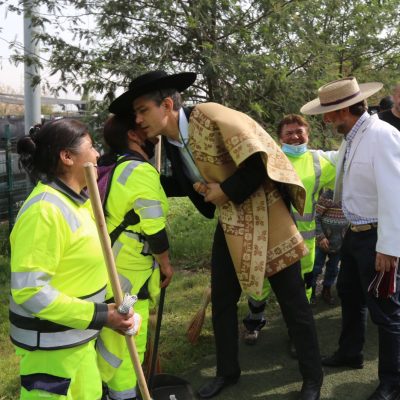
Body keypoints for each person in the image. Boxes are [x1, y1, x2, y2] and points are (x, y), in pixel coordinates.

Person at [109, 70, 323, 400]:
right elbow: (185, 184)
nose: (137, 120)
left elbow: (258, 158)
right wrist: (130, 171)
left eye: (142, 110)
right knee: (222, 301)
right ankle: (227, 372)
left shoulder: (210, 116)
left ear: (166, 104)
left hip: (268, 217)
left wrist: (226, 190)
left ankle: (312, 379)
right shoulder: (174, 142)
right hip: (230, 223)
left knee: (292, 301)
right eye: (135, 114)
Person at [10, 119, 136, 400]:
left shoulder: (78, 203)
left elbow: (79, 273)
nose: (97, 155)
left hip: (77, 343)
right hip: (51, 356)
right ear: (67, 157)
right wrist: (101, 315)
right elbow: (31, 291)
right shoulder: (45, 210)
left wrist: (114, 310)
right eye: (91, 148)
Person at [301, 76, 400, 400]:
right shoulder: (355, 137)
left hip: (375, 239)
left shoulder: (382, 136)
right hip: (355, 235)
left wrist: (388, 247)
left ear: (342, 111)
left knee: (386, 312)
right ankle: (350, 351)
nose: (325, 120)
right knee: (350, 295)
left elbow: (394, 194)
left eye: (327, 114)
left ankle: (392, 382)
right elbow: (334, 163)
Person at [96, 114, 173, 400]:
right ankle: (117, 394)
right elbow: (154, 228)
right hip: (129, 280)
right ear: (133, 135)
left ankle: (112, 391)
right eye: (145, 129)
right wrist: (165, 264)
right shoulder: (138, 170)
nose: (153, 133)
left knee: (118, 341)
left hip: (112, 271)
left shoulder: (111, 165)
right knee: (126, 342)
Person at [243, 114, 336, 345]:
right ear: (279, 137)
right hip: (269, 237)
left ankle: (297, 333)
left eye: (299, 132)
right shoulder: (267, 160)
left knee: (302, 288)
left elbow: (346, 182)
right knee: (260, 283)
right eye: (289, 133)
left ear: (308, 133)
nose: (295, 137)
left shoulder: (320, 162)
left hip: (304, 241)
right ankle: (254, 322)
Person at [311, 188, 348, 305]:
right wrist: (321, 236)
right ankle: (310, 291)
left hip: (339, 243)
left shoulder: (350, 196)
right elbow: (316, 217)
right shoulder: (327, 195)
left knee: (333, 269)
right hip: (323, 241)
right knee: (316, 267)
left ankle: (326, 290)